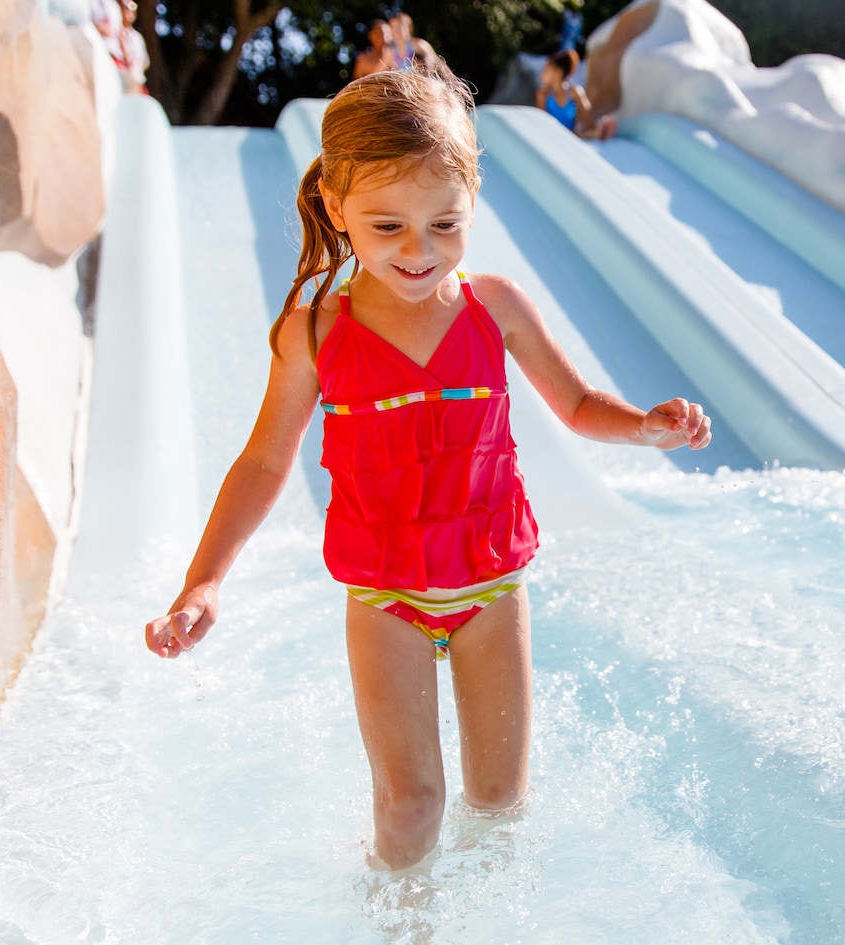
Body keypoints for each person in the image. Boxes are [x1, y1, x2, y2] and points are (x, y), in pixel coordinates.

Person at [143, 66, 712, 872]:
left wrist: (646, 428)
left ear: (473, 198)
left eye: (445, 224)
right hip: (386, 598)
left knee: (497, 808)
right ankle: (401, 926)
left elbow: (580, 404)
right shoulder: (312, 333)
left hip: (489, 590)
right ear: (336, 208)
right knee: (410, 807)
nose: (419, 251)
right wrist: (204, 580)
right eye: (387, 227)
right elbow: (265, 459)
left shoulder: (496, 307)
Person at [535, 49, 617, 141]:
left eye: (546, 70)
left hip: (570, 136)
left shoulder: (575, 93)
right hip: (550, 135)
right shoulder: (543, 94)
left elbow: (589, 121)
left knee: (585, 133)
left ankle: (601, 131)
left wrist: (593, 130)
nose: (542, 74)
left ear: (558, 73)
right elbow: (540, 123)